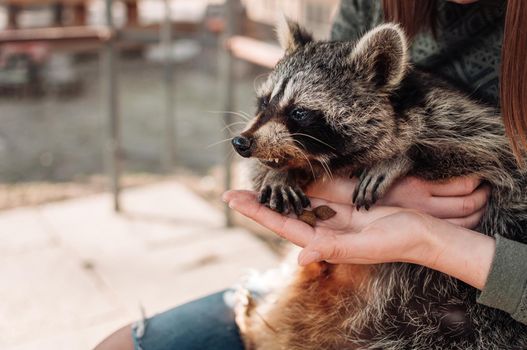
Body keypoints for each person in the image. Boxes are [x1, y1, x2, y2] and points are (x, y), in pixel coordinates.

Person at [95, 1, 527, 349]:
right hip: (326, 297)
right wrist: (347, 189)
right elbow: (281, 163)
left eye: (299, 114)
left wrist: (429, 235)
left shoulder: (429, 113)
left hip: (459, 319)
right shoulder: (373, 7)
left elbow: (488, 157)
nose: (251, 132)